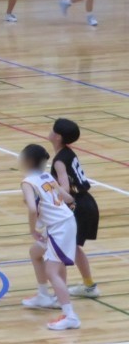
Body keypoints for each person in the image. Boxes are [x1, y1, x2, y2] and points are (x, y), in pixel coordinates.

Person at [19, 144, 80, 331]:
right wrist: (67, 202)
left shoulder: (27, 182)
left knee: (52, 271)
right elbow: (67, 197)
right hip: (63, 223)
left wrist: (32, 230)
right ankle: (43, 295)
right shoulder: (47, 176)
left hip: (59, 227)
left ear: (28, 161)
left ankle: (70, 316)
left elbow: (31, 209)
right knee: (35, 252)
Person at [50, 118, 100, 298]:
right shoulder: (68, 153)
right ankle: (89, 286)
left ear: (58, 137)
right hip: (86, 202)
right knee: (73, 247)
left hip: (78, 205)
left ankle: (60, 294)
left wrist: (49, 185)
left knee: (61, 247)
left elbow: (64, 188)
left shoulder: (59, 161)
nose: (50, 132)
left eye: (53, 130)